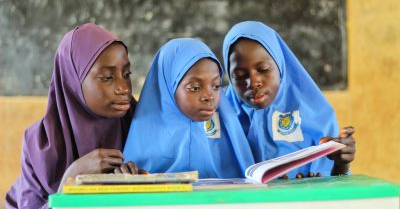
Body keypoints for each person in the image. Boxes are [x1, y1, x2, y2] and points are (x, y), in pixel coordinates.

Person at [5, 23, 138, 208]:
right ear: (72, 83)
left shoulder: (139, 125)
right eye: (107, 77)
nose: (124, 88)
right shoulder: (39, 144)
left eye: (127, 74)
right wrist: (70, 180)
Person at [222, 21, 356, 179]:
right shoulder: (219, 120)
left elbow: (335, 190)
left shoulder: (316, 114)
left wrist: (341, 163)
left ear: (280, 65)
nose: (253, 82)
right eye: (239, 75)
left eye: (263, 69)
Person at [122, 38, 254, 178]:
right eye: (195, 88)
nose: (210, 96)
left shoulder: (228, 136)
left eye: (216, 86)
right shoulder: (142, 143)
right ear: (168, 87)